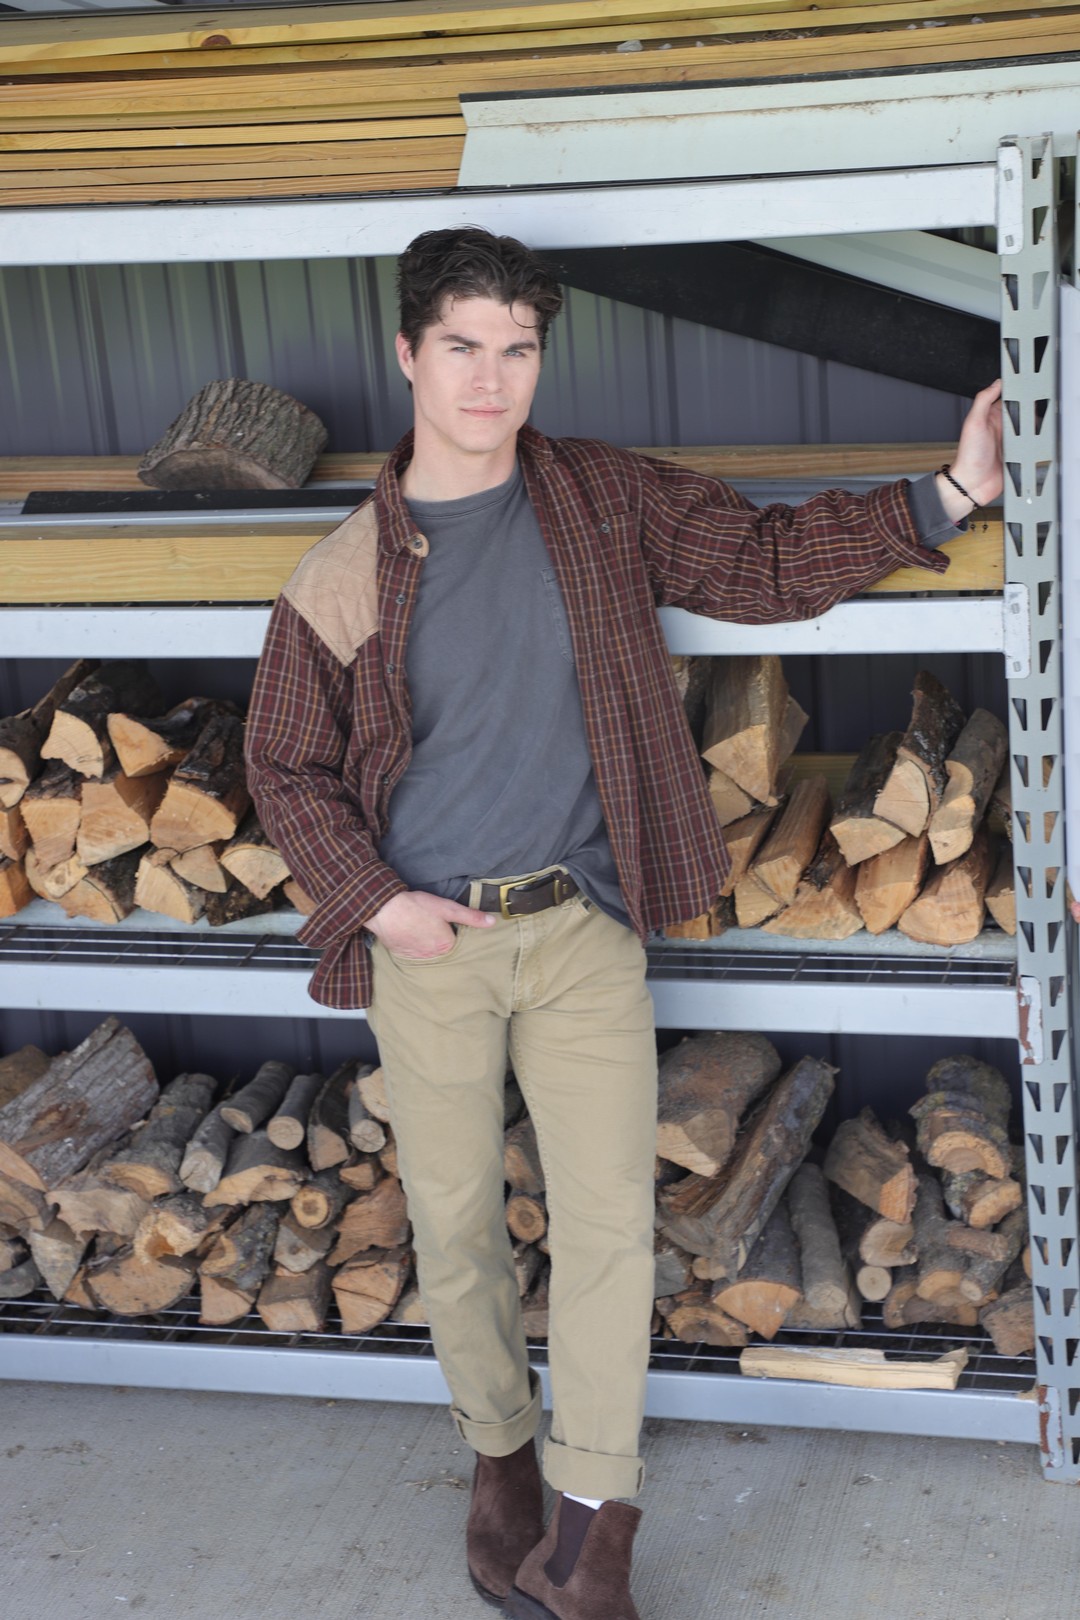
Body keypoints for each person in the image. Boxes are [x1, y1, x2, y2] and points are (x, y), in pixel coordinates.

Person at [244, 226, 1004, 1620]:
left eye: (517, 348)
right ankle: (500, 1461)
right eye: (462, 348)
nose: (491, 380)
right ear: (408, 356)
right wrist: (382, 905)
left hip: (581, 926)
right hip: (433, 946)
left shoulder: (598, 497)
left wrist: (949, 491)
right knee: (456, 1227)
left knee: (608, 1228)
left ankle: (596, 1532)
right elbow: (283, 766)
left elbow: (763, 563)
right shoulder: (343, 572)